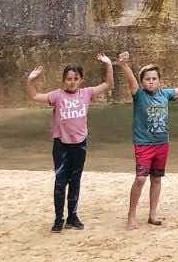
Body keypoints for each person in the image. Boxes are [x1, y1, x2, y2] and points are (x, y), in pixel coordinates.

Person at [117, 51, 178, 230]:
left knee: (156, 179)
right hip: (144, 144)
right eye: (147, 79)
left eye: (154, 78)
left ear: (159, 80)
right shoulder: (139, 95)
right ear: (142, 82)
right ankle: (131, 215)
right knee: (140, 179)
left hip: (162, 145)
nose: (151, 81)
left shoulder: (165, 94)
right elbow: (131, 80)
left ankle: (152, 214)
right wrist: (124, 65)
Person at [25, 53, 114, 233]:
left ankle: (72, 216)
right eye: (68, 79)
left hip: (79, 145)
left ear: (81, 80)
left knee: (75, 181)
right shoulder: (57, 96)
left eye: (75, 79)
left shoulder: (86, 93)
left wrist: (109, 64)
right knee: (60, 182)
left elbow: (108, 84)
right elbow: (34, 96)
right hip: (61, 146)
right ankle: (59, 219)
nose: (72, 82)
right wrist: (30, 80)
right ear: (63, 80)